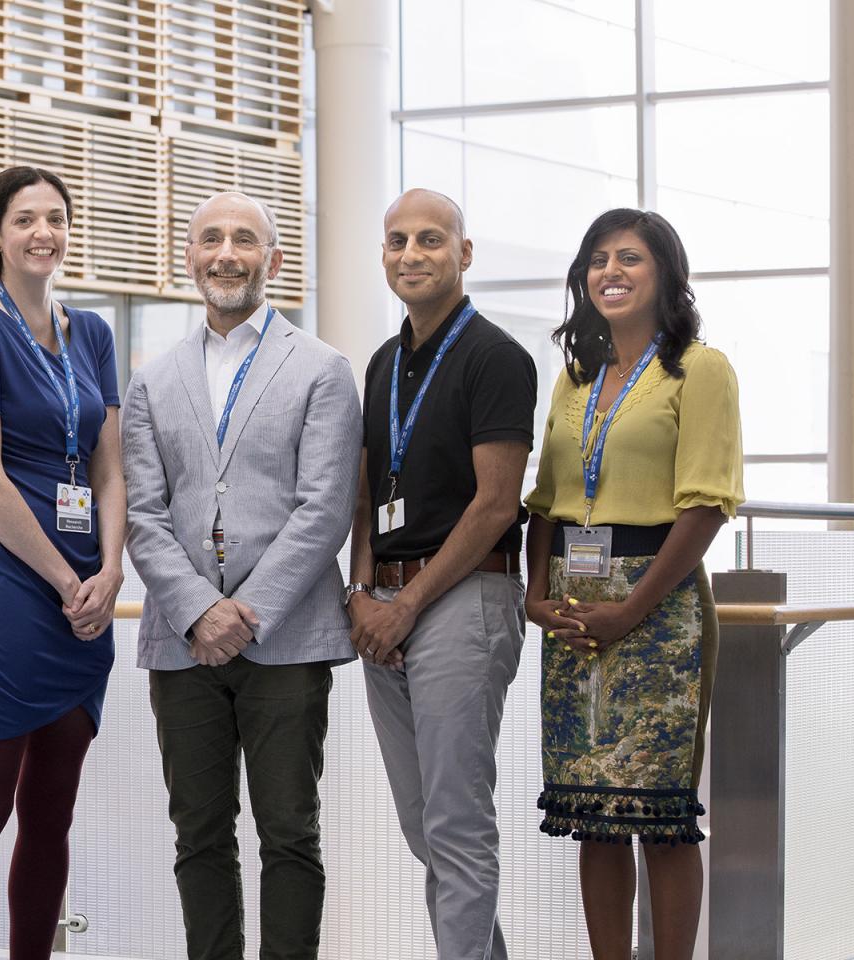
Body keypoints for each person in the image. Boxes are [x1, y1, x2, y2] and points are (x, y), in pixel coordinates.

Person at [122, 191, 361, 960]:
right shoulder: (152, 382)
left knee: (289, 831)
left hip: (286, 638)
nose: (226, 253)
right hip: (181, 642)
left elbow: (325, 508)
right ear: (188, 258)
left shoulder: (323, 370)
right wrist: (199, 609)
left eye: (245, 240)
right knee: (199, 834)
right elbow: (142, 515)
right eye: (210, 239)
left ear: (275, 261)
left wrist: (246, 610)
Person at [525, 208, 743, 960]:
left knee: (660, 811)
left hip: (660, 605)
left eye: (631, 259)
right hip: (574, 610)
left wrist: (630, 609)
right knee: (595, 810)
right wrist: (532, 595)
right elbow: (546, 503)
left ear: (666, 275)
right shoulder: (576, 377)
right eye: (598, 259)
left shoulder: (699, 369)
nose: (610, 272)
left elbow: (708, 504)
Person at [0, 165, 126, 960]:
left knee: (53, 811)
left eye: (55, 217)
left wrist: (113, 570)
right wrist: (64, 579)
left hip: (89, 595)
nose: (42, 232)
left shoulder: (95, 335)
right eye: (24, 220)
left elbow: (111, 466)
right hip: (10, 593)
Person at [346, 188, 536, 960]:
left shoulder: (496, 357)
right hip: (386, 599)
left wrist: (407, 604)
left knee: (456, 824)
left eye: (430, 239)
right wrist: (361, 590)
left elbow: (495, 506)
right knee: (424, 822)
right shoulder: (386, 362)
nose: (411, 254)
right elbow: (367, 489)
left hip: (463, 596)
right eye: (396, 241)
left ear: (464, 253)